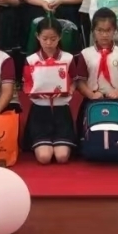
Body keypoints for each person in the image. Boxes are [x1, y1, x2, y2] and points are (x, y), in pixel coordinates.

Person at [23, 17, 77, 165]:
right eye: (45, 38)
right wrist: (33, 92)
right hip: (40, 110)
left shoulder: (68, 58)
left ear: (60, 37)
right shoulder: (31, 59)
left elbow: (75, 81)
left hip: (61, 109)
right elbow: (26, 85)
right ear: (37, 36)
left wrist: (70, 90)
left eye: (53, 39)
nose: (48, 43)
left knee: (62, 157)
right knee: (44, 157)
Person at [76, 8, 118, 103]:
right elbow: (80, 83)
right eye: (100, 30)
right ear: (93, 31)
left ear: (115, 30)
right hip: (92, 100)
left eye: (108, 30)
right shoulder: (85, 54)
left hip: (116, 100)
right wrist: (91, 95)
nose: (104, 35)